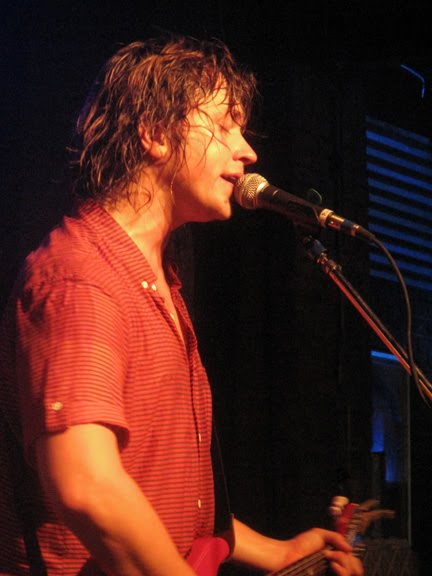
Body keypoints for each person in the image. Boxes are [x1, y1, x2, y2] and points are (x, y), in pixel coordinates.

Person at [0, 37, 363, 576]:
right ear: (154, 134)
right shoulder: (82, 279)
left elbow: (168, 501)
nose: (248, 151)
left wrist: (277, 552)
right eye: (224, 126)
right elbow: (86, 484)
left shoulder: (157, 280)